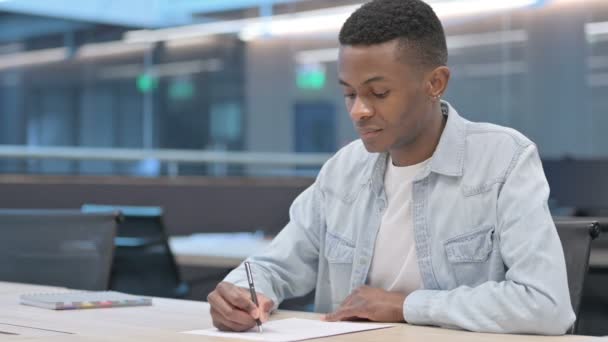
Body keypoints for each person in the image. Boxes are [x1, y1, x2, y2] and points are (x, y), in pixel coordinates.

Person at [207, 0, 575, 335]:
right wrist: (239, 292)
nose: (358, 111)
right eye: (349, 93)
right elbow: (276, 266)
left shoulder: (504, 160)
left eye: (378, 93)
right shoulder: (343, 170)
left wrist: (404, 306)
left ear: (435, 83)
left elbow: (547, 305)